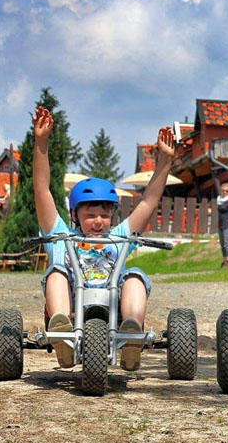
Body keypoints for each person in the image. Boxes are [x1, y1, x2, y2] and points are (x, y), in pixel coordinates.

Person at [32, 104, 177, 371]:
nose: (98, 221)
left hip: (114, 299)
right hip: (72, 298)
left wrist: (165, 162)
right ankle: (62, 330)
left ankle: (132, 334)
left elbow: (148, 203)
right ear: (75, 215)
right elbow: (42, 190)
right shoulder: (61, 235)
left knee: (134, 276)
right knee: (55, 273)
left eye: (104, 214)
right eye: (90, 215)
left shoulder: (119, 237)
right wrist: (42, 142)